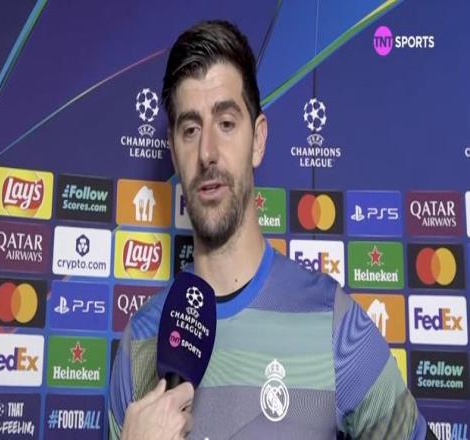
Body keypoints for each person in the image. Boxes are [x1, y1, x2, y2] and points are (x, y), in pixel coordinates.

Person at [109, 20, 434, 439]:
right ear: (174, 153)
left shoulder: (332, 324)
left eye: (226, 123)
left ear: (258, 140)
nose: (207, 152)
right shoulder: (140, 341)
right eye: (190, 130)